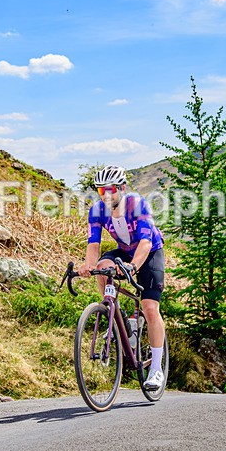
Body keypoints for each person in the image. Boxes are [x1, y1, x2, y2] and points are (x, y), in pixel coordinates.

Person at [77, 165, 167, 390]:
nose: (106, 195)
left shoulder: (137, 205)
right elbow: (94, 244)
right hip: (125, 251)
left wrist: (133, 267)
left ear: (122, 188)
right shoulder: (97, 210)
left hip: (150, 253)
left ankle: (156, 369)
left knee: (149, 308)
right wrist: (88, 266)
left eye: (110, 190)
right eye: (100, 191)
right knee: (102, 267)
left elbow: (145, 242)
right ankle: (114, 314)